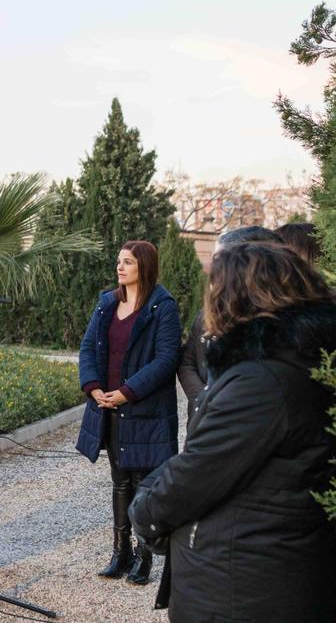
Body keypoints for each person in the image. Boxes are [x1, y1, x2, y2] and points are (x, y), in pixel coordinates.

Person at [131, 242, 336, 622]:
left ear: (240, 296)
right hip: (267, 569)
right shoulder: (301, 359)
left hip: (240, 586)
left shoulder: (262, 381)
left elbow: (196, 474)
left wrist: (144, 512)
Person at [75, 240, 180, 585]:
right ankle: (119, 554)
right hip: (108, 407)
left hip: (143, 407)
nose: (120, 268)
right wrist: (93, 387)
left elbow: (167, 360)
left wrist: (126, 392)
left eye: (128, 262)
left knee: (142, 483)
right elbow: (88, 346)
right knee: (120, 482)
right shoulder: (107, 303)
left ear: (144, 267)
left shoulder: (162, 306)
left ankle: (143, 558)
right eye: (119, 261)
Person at [177, 226, 281, 413]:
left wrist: (218, 409)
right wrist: (203, 398)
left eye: (219, 263)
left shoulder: (279, 335)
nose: (211, 273)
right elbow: (187, 361)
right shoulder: (206, 315)